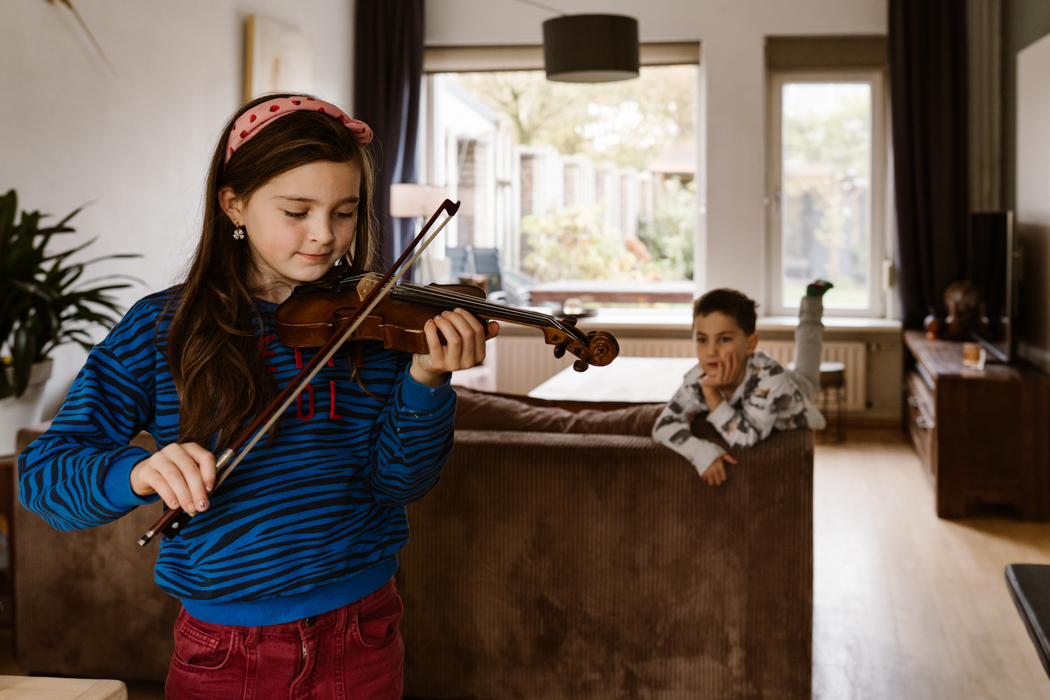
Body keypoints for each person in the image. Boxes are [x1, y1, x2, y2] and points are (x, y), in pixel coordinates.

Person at [17, 94, 497, 699]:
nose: (324, 236)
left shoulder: (374, 326)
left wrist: (427, 381)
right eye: (297, 211)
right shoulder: (161, 329)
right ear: (234, 204)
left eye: (345, 212)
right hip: (226, 650)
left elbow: (401, 483)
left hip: (362, 635)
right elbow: (43, 477)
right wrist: (138, 472)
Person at [652, 282, 831, 486]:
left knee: (808, 351)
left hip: (792, 389)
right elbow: (662, 426)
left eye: (724, 339)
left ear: (750, 344)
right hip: (762, 376)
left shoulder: (770, 378)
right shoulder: (697, 379)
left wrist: (712, 394)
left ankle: (812, 300)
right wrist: (701, 452)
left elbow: (745, 437)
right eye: (702, 340)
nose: (711, 352)